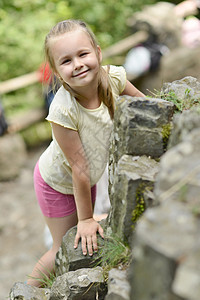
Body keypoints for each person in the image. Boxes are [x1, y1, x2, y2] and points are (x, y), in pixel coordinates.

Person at [27, 19, 144, 287]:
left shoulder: (113, 78)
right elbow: (78, 167)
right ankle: (27, 291)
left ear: (98, 53)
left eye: (83, 54)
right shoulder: (62, 110)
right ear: (56, 71)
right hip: (56, 183)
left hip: (84, 179)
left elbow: (146, 104)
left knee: (88, 228)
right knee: (61, 246)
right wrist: (86, 219)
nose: (77, 64)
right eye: (66, 61)